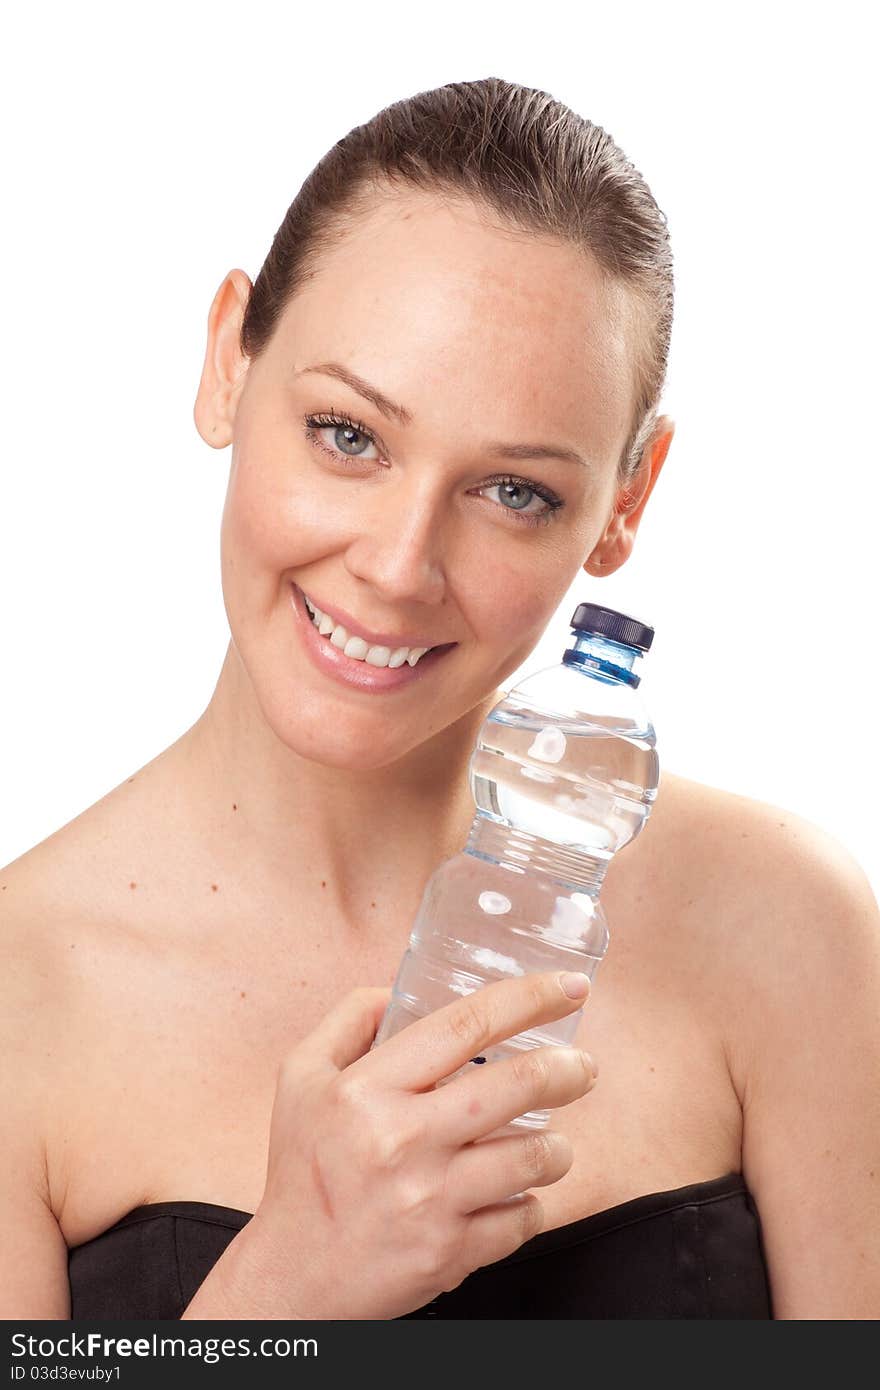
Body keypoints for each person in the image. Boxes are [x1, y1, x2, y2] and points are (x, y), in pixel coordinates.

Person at [2, 76, 878, 1323]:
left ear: (626, 502)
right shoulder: (13, 1003)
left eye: (513, 491)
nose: (399, 568)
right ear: (225, 362)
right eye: (347, 434)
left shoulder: (786, 930)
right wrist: (279, 1296)